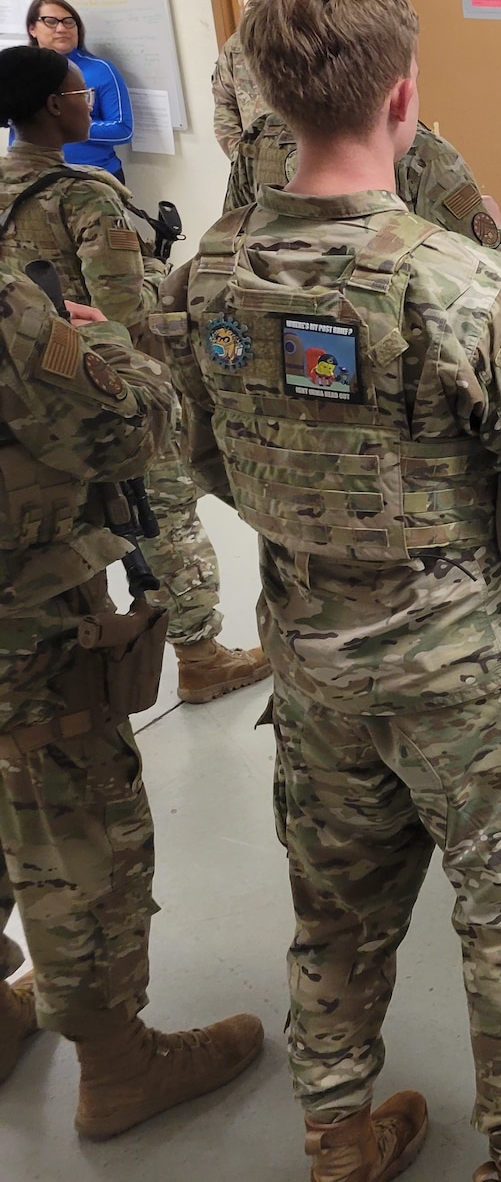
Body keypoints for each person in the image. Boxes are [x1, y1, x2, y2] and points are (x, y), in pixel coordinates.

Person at [161, 0, 501, 1182]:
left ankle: (337, 1140)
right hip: (474, 679)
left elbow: (204, 458)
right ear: (404, 98)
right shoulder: (463, 284)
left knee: (333, 911)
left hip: (313, 664)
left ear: (271, 100)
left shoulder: (204, 280)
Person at [0, 261, 265, 1137]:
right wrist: (110, 343)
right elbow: (124, 430)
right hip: (22, 626)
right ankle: (118, 1067)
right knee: (69, 824)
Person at [0, 44, 270, 703]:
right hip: (101, 385)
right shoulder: (83, 196)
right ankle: (200, 653)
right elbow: (125, 314)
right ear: (54, 106)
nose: (88, 103)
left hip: (28, 400)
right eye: (80, 94)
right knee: (163, 508)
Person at [223, 0, 501, 267]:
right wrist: (496, 232)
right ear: (401, 97)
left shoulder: (259, 139)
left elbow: (233, 241)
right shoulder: (428, 156)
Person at [23, 0, 132, 181]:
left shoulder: (100, 70)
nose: (61, 28)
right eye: (50, 21)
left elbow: (123, 129)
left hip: (93, 179)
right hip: (35, 178)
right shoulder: (20, 69)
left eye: (68, 22)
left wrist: (66, 124)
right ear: (32, 29)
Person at [210, 0, 293, 157]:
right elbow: (224, 105)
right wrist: (240, 158)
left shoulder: (316, 38)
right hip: (259, 161)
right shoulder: (237, 47)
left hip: (311, 164)